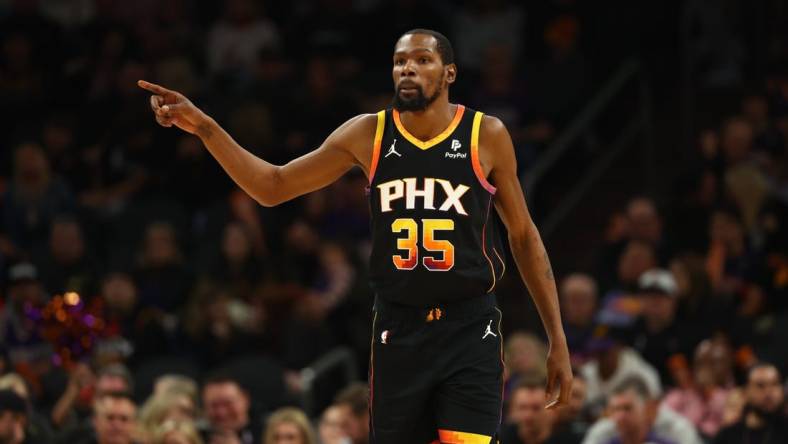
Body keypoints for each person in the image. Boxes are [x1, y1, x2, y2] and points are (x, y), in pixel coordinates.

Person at [139, 27, 572, 443]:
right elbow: (272, 187)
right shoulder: (368, 133)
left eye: (423, 60)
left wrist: (557, 339)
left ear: (449, 73)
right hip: (398, 327)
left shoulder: (486, 134)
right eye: (400, 61)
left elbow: (523, 236)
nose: (408, 69)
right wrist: (205, 128)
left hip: (470, 326)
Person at [582, 376, 702, 444]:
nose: (620, 416)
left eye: (627, 408)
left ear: (648, 409)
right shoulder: (602, 435)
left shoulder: (672, 436)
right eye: (615, 409)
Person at [713, 363, 787, 444]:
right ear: (746, 391)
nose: (769, 392)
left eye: (775, 384)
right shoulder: (729, 434)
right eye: (760, 385)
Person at [500, 377, 582, 444]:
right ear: (512, 410)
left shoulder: (571, 439)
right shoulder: (500, 438)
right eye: (522, 408)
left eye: (536, 408)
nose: (528, 415)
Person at [200, 375, 258, 444]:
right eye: (214, 405)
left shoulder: (269, 433)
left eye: (228, 404)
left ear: (245, 399)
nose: (221, 412)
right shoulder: (195, 437)